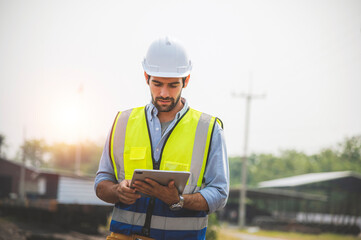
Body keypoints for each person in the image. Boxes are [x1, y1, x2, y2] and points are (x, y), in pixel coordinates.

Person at [94, 36, 229, 240]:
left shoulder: (209, 129)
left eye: (173, 85)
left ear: (187, 80)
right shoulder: (122, 122)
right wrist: (117, 191)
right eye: (157, 84)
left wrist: (179, 200)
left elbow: (219, 194)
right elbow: (102, 182)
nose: (164, 93)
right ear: (146, 76)